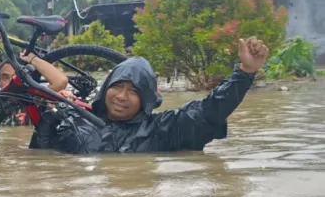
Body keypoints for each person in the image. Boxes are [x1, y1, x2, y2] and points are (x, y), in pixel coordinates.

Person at [33, 36, 270, 153]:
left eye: (134, 91)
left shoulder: (163, 130)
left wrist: (245, 72)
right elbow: (39, 166)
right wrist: (48, 119)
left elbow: (209, 112)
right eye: (117, 86)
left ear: (146, 99)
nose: (122, 97)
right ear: (106, 88)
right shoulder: (73, 122)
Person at [0, 30, 69, 126]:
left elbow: (60, 81)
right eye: (5, 77)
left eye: (15, 77)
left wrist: (32, 59)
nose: (11, 82)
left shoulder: (35, 102)